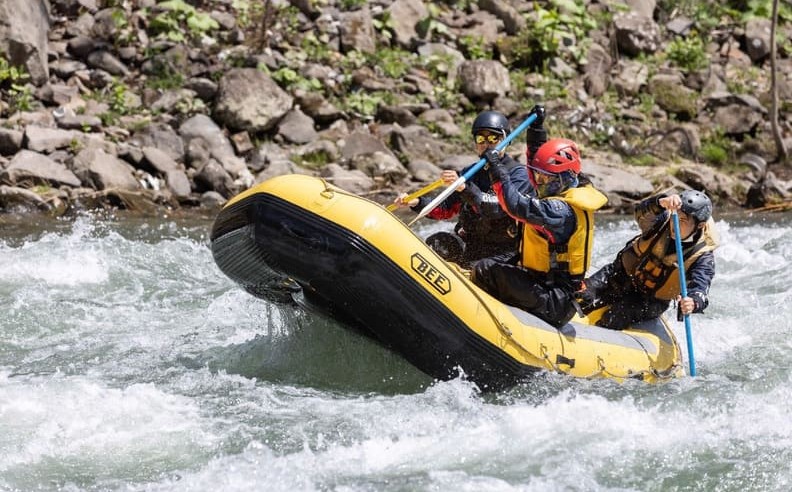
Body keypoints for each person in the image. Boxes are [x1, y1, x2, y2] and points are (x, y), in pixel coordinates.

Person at [471, 138, 609, 328]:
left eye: (546, 179)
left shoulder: (559, 210)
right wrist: (536, 130)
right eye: (539, 177)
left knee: (485, 270)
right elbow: (540, 164)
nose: (540, 183)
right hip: (549, 287)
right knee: (496, 264)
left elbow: (516, 206)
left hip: (554, 300)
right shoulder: (574, 186)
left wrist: (496, 167)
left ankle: (482, 325)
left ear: (564, 177)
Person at [392, 108, 540, 268]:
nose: (486, 144)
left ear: (506, 140)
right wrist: (415, 202)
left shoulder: (518, 174)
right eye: (480, 138)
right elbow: (445, 209)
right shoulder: (470, 173)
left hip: (503, 253)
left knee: (481, 268)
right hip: (472, 245)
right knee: (437, 243)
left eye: (493, 138)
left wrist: (464, 188)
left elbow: (498, 208)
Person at [579, 190, 719, 330]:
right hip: (618, 276)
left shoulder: (702, 256)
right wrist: (660, 202)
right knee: (581, 293)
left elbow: (701, 289)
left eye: (683, 221)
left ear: (699, 226)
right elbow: (640, 212)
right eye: (676, 218)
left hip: (649, 301)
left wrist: (693, 302)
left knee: (617, 315)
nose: (675, 224)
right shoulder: (662, 220)